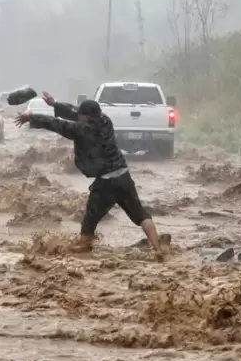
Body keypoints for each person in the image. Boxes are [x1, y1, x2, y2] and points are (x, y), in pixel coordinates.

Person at [14, 92, 166, 261]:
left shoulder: (81, 130)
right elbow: (73, 113)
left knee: (89, 222)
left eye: (80, 115)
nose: (77, 116)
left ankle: (82, 254)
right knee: (141, 215)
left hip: (106, 183)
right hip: (123, 176)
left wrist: (32, 117)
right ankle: (158, 248)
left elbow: (56, 124)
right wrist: (54, 104)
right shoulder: (106, 121)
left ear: (85, 117)